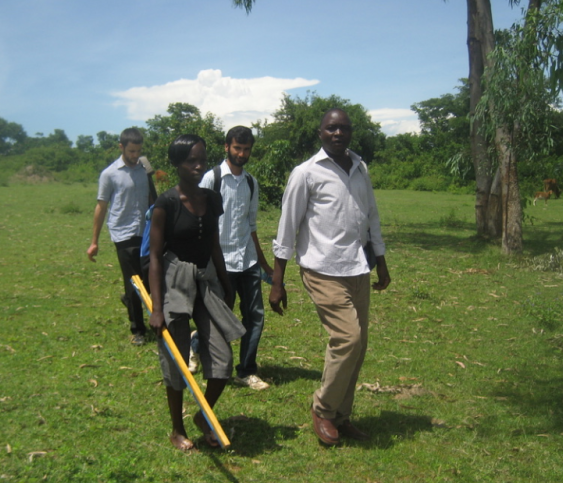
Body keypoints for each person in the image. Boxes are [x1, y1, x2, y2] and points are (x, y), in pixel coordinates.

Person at [269, 108, 391, 446]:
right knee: (347, 339)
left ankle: (341, 415)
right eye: (331, 128)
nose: (338, 134)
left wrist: (380, 260)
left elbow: (371, 214)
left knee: (359, 346)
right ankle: (323, 410)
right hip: (322, 269)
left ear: (351, 133)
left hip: (358, 267)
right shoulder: (306, 173)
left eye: (344, 129)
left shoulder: (360, 167)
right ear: (320, 133)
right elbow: (287, 227)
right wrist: (277, 282)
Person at [148, 134, 244, 451]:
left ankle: (204, 416)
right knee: (175, 360)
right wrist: (158, 308)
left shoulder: (211, 198)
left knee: (222, 359)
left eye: (202, 159)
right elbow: (155, 256)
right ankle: (177, 429)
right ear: (176, 164)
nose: (199, 165)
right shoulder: (166, 204)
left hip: (205, 280)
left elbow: (214, 243)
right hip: (175, 280)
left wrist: (226, 283)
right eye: (191, 161)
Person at [199, 125, 272, 390]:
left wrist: (263, 264)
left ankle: (246, 370)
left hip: (247, 259)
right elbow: (202, 223)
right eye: (237, 148)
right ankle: (199, 347)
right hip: (219, 261)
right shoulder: (211, 179)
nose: (241, 154)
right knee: (221, 315)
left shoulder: (251, 183)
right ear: (226, 147)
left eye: (246, 149)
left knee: (255, 316)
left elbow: (251, 226)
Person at [87, 128, 155, 346]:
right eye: (131, 151)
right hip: (122, 233)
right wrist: (94, 242)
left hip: (145, 232)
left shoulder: (144, 169)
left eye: (138, 151)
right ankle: (138, 330)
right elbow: (101, 206)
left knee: (149, 279)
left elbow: (152, 198)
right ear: (121, 147)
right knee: (134, 282)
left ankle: (129, 300)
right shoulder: (109, 174)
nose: (135, 155)